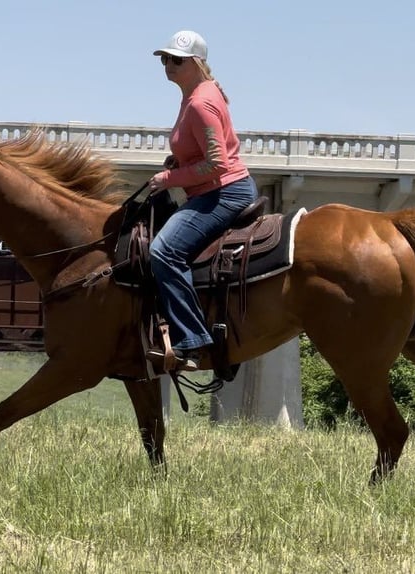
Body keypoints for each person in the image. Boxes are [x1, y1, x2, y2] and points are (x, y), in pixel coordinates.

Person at [146, 30, 259, 371]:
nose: (168, 65)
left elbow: (217, 163)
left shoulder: (200, 102)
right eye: (165, 58)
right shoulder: (196, 94)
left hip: (224, 191)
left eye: (176, 60)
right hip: (214, 189)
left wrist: (168, 178)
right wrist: (179, 165)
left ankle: (192, 342)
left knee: (163, 251)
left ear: (196, 63)